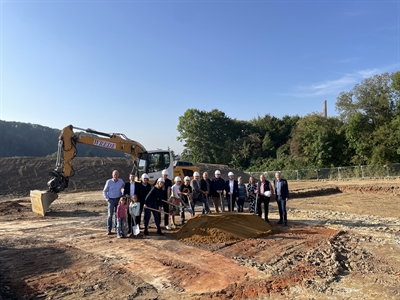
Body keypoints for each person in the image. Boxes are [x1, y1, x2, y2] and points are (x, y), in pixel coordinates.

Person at [103, 170, 125, 235]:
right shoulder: (109, 182)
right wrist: (107, 199)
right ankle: (109, 229)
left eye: (117, 174)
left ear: (118, 175)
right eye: (114, 174)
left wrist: (123, 193)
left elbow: (124, 187)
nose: (115, 175)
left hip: (118, 200)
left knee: (117, 214)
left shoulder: (121, 181)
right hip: (111, 200)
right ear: (112, 175)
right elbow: (104, 191)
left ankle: (116, 228)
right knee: (110, 215)